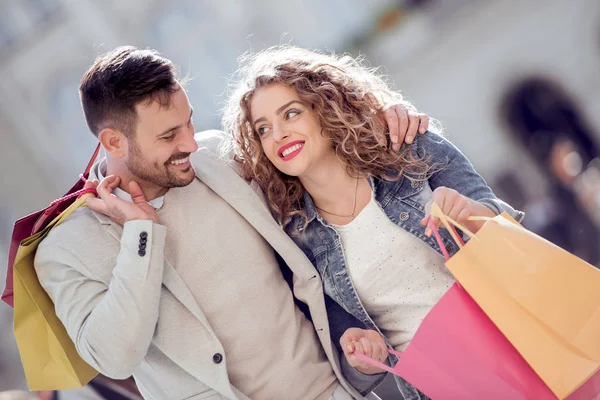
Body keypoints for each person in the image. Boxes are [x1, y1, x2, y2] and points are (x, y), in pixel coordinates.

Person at [33, 46, 428, 400]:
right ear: (114, 142)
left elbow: (318, 156)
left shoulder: (218, 156)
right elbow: (115, 357)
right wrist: (142, 236)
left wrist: (382, 119)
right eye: (170, 135)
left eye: (187, 122)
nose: (189, 142)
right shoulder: (68, 248)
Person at [222, 45, 524, 398]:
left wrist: (468, 213)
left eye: (290, 114)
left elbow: (512, 233)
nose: (278, 134)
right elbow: (347, 347)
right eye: (263, 129)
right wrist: (360, 353)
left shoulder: (410, 148)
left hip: (517, 342)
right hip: (443, 386)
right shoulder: (294, 240)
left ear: (324, 106)